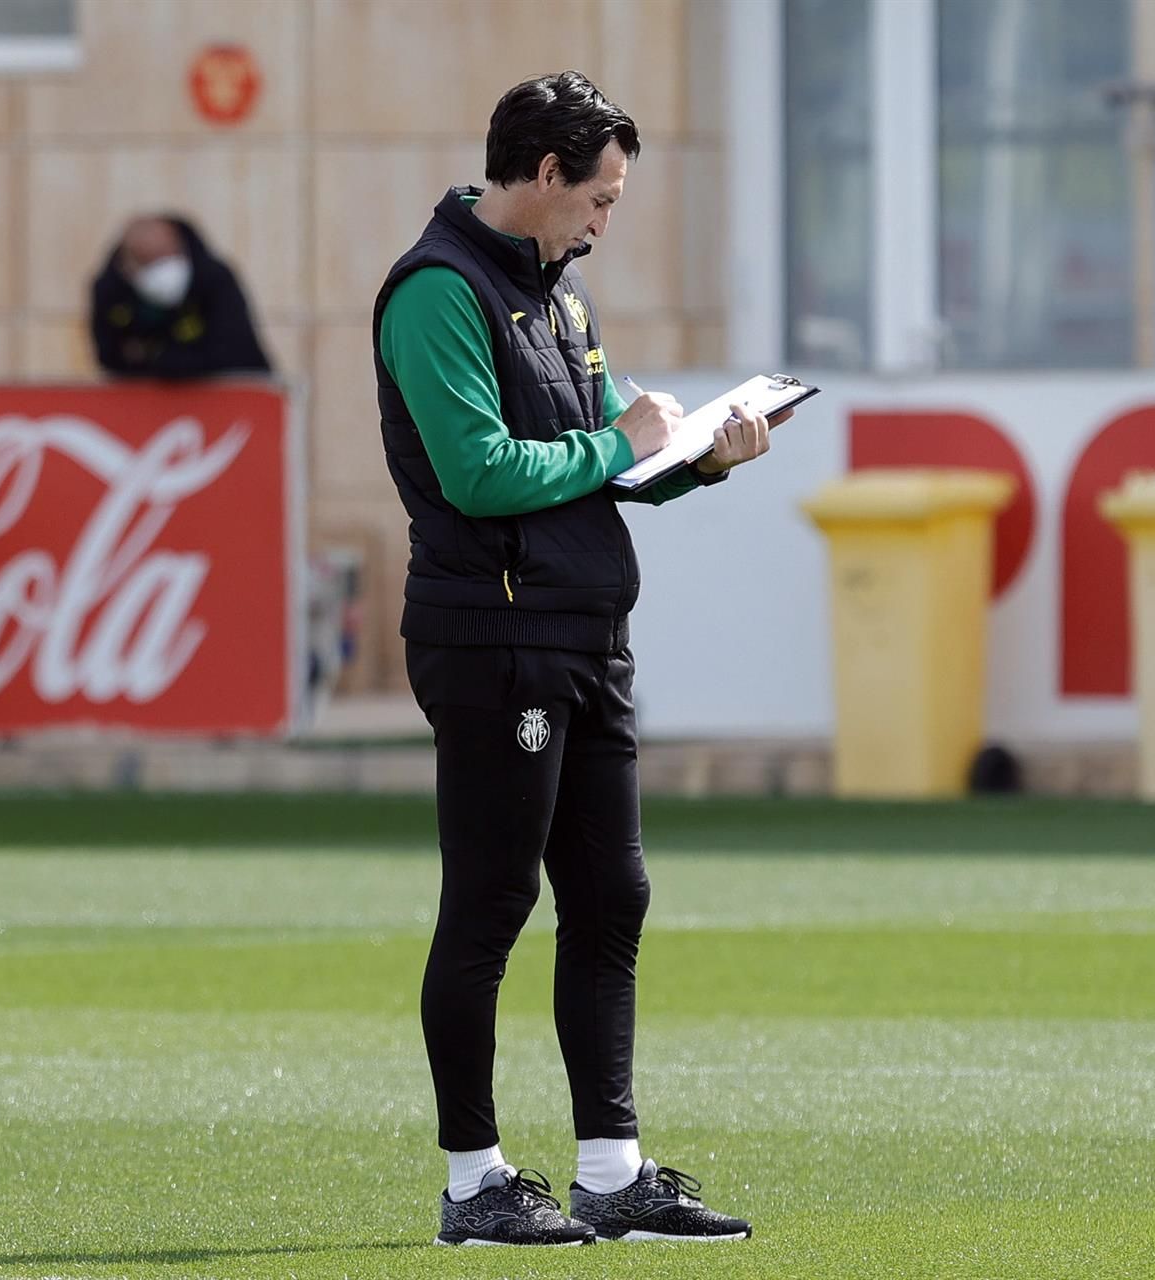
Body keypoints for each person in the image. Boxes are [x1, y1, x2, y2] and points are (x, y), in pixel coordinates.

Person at [373, 71, 786, 1247]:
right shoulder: (436, 291)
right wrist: (616, 437)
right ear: (543, 175)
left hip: (582, 628)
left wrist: (699, 457)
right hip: (492, 635)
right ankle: (473, 1182)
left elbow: (605, 465)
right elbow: (482, 471)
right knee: (494, 902)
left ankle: (612, 1167)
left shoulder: (561, 296)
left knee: (612, 894)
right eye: (599, 197)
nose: (606, 219)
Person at [89, 214, 272, 380]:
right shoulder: (111, 291)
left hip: (230, 396)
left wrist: (171, 362)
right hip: (148, 405)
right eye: (150, 261)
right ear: (127, 266)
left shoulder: (213, 278)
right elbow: (111, 356)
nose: (163, 269)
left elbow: (235, 348)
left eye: (167, 256)